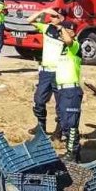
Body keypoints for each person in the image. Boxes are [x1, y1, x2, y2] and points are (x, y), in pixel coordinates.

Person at [27, 7, 66, 136]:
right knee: (39, 100)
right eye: (52, 16)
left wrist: (62, 28)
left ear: (62, 17)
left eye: (55, 16)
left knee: (60, 103)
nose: (52, 18)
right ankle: (41, 126)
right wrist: (44, 12)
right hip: (45, 72)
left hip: (59, 72)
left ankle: (59, 130)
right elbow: (29, 20)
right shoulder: (47, 28)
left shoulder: (66, 31)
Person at [55, 23, 83, 161]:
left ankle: (72, 153)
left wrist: (61, 28)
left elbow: (68, 40)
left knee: (71, 123)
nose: (62, 33)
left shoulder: (75, 45)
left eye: (66, 30)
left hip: (71, 90)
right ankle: (74, 152)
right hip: (62, 90)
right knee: (65, 122)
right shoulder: (64, 48)